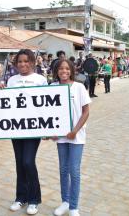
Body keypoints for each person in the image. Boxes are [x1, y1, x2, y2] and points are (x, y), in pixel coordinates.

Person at [2, 49, 47, 215]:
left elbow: (47, 105)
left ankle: (34, 199)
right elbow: (6, 102)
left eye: (26, 61)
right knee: (19, 162)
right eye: (19, 61)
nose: (22, 64)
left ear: (32, 62)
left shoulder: (40, 80)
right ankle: (20, 197)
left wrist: (48, 128)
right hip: (16, 127)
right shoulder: (11, 80)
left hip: (34, 127)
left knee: (28, 161)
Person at [50, 60, 90, 216]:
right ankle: (65, 202)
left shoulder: (79, 87)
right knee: (63, 169)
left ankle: (74, 206)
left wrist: (75, 130)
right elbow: (49, 112)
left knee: (74, 170)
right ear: (56, 71)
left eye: (67, 68)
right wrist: (51, 131)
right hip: (61, 137)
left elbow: (86, 111)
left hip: (76, 136)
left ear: (72, 70)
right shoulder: (52, 87)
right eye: (60, 68)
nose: (64, 71)